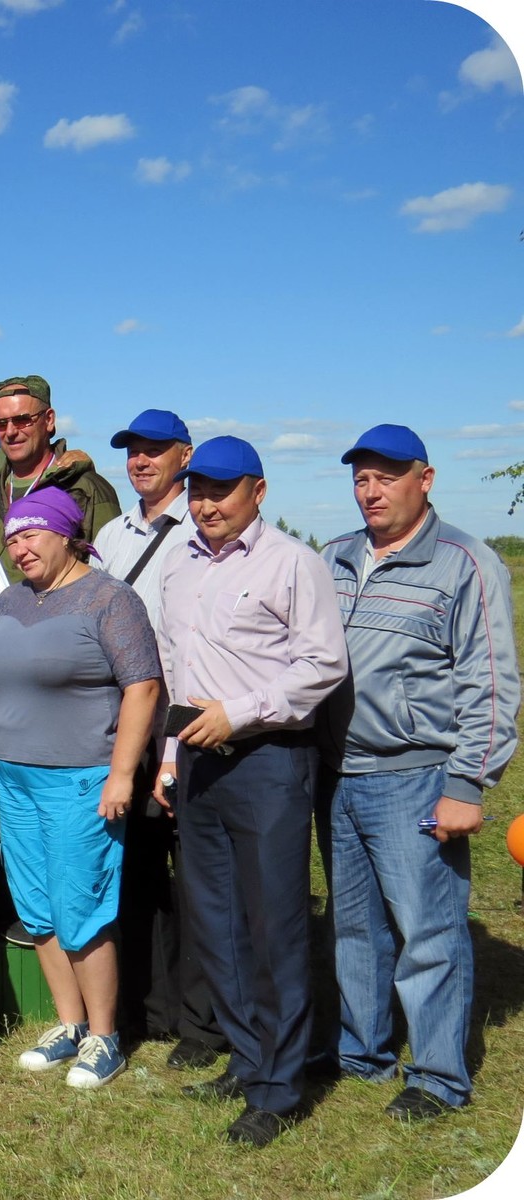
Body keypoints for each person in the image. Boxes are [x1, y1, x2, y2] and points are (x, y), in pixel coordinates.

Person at [318, 424, 520, 1121]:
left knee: (428, 933)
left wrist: (468, 783)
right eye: (361, 478)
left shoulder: (467, 563)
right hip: (337, 776)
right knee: (352, 931)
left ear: (424, 479)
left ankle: (437, 1075)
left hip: (417, 774)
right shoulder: (334, 556)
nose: (370, 490)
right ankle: (361, 1050)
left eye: (386, 477)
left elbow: (491, 682)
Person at [154, 436, 348, 1147]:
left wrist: (239, 713)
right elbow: (177, 668)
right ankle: (247, 1057)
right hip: (200, 765)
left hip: (267, 761)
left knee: (275, 925)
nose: (206, 504)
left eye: (221, 491)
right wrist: (172, 756)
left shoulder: (293, 563)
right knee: (216, 922)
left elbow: (323, 664)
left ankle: (278, 1085)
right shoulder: (180, 565)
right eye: (197, 490)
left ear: (257, 492)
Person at [0, 487, 162, 1088]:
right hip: (13, 775)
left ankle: (106, 1037)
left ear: (65, 534)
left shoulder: (110, 598)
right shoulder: (8, 601)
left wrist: (123, 773)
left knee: (81, 906)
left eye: (30, 534)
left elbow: (144, 687)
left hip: (82, 778)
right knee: (36, 906)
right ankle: (69, 1024)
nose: (19, 547)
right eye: (11, 538)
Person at [91, 409, 223, 1068]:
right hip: (122, 726)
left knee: (194, 877)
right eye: (133, 452)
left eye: (154, 451)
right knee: (134, 870)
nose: (141, 462)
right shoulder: (112, 534)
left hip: (184, 718)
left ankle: (202, 1020)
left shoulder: (199, 532)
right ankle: (149, 1005)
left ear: (185, 455)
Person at [0, 375, 120, 585]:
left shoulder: (86, 489)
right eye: (0, 423)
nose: (10, 432)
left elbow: (109, 574)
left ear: (49, 420)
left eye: (22, 420)